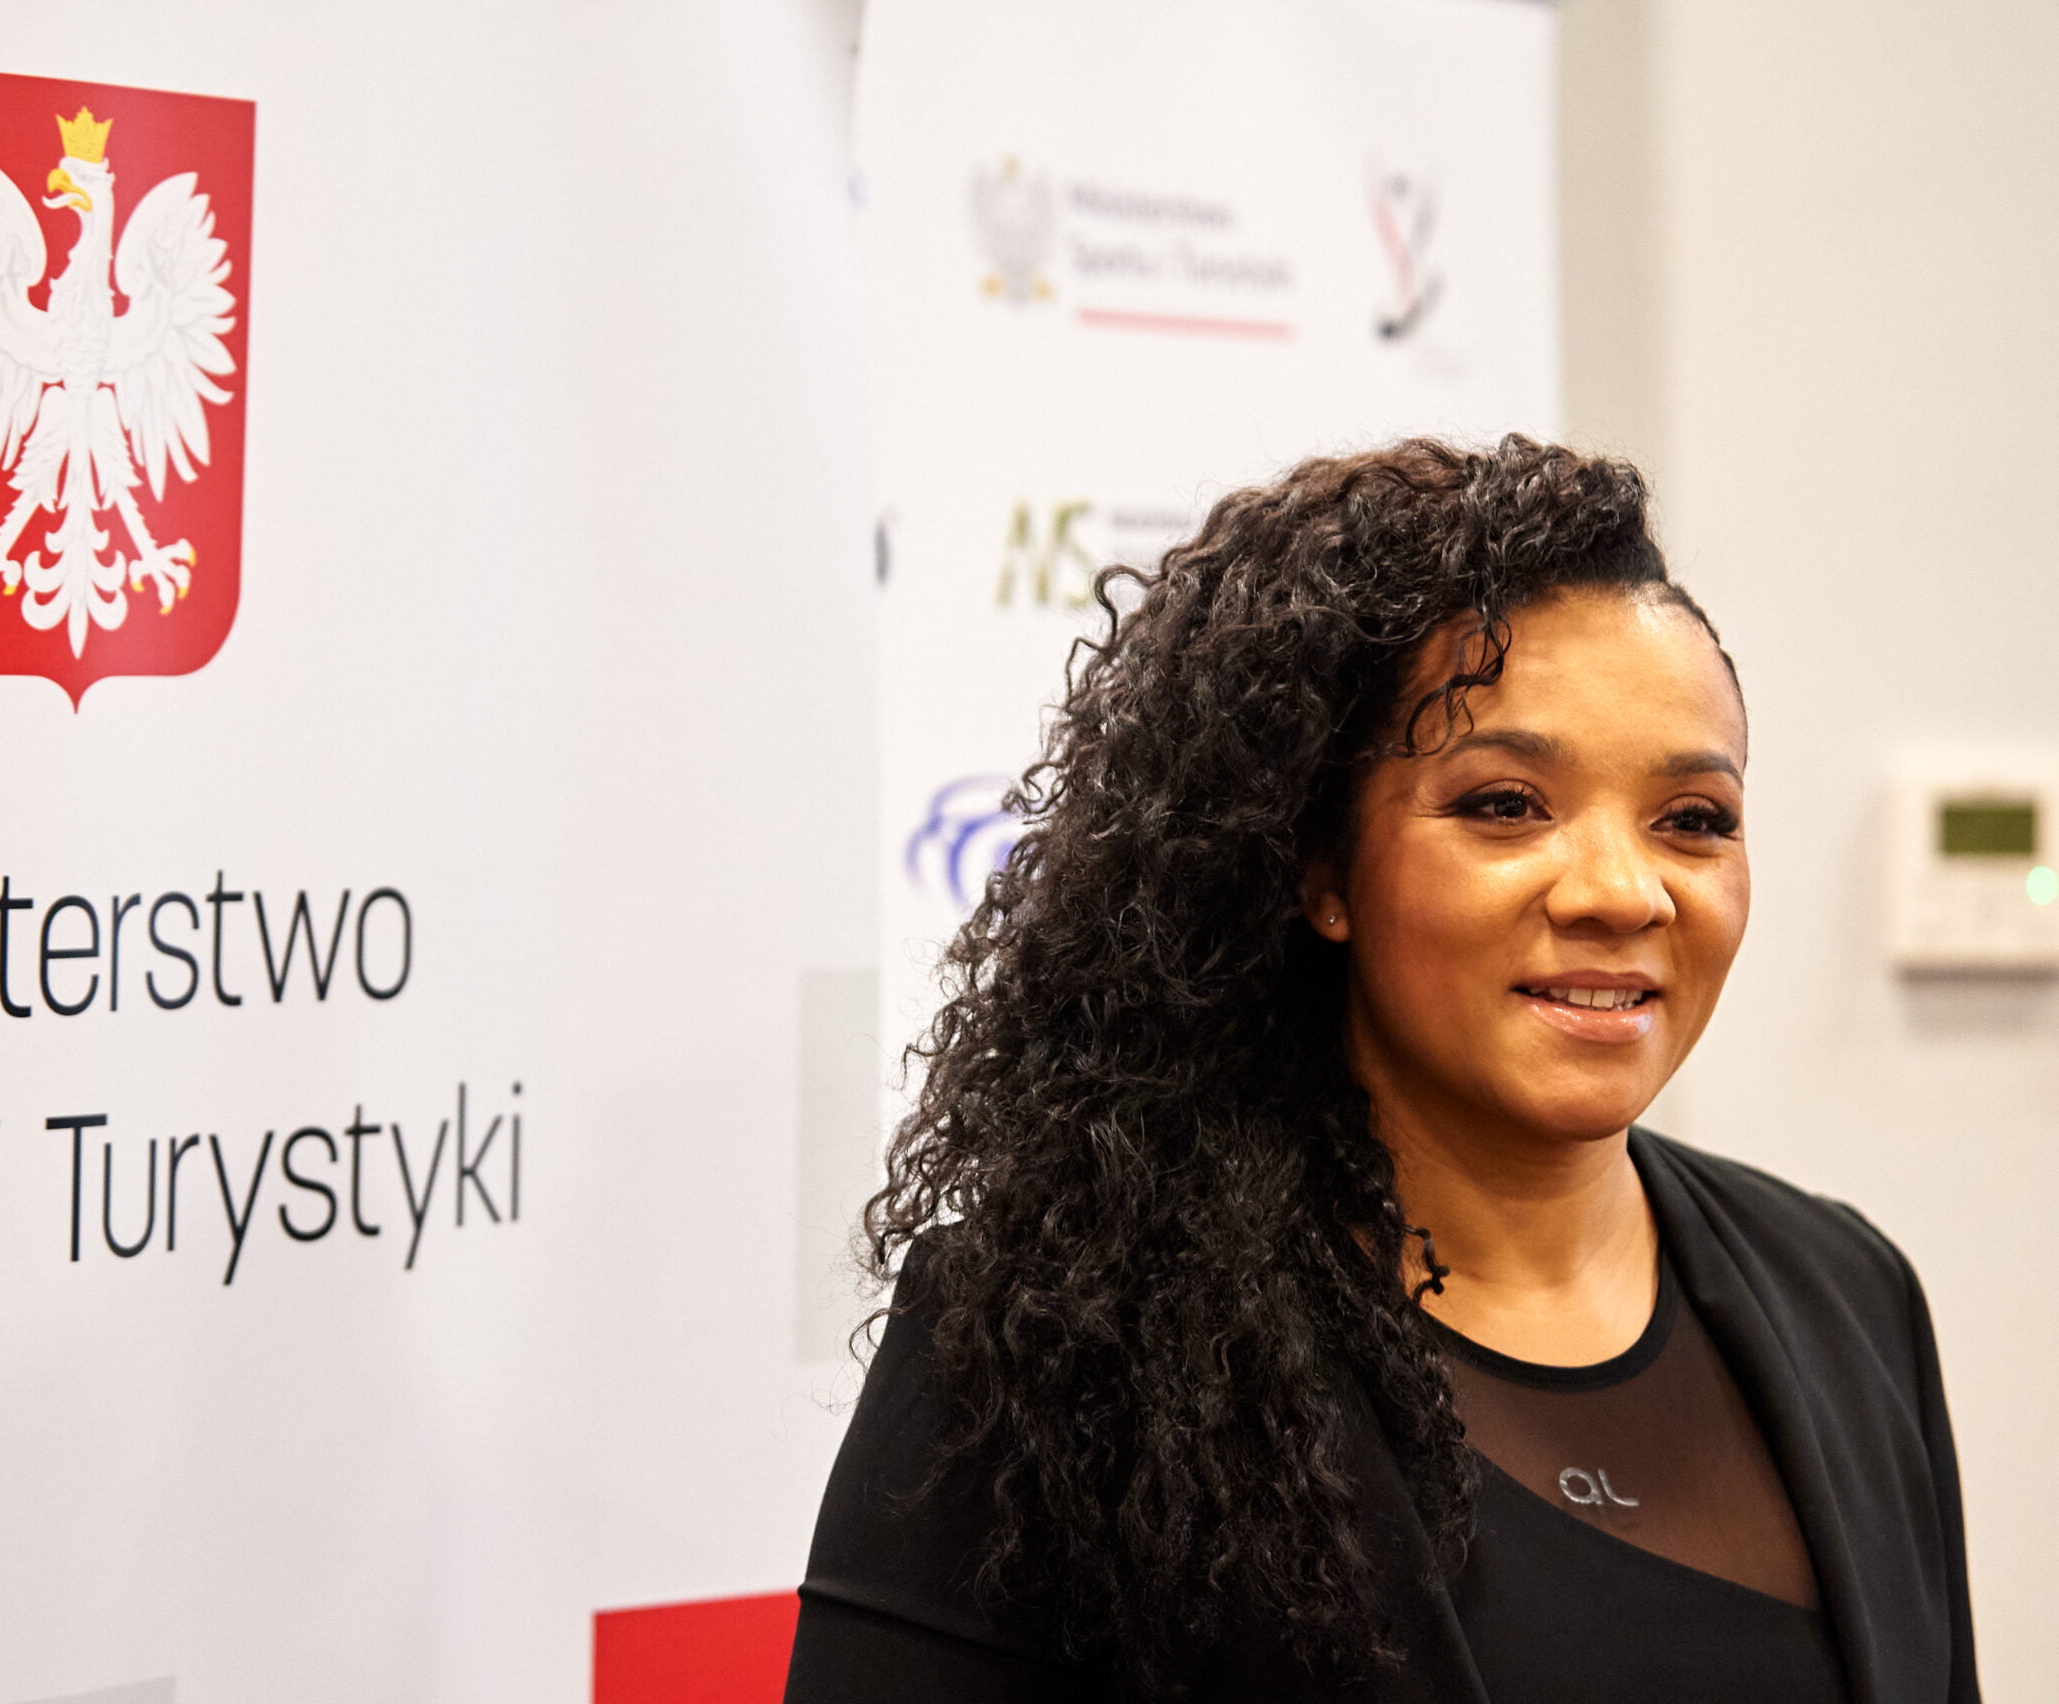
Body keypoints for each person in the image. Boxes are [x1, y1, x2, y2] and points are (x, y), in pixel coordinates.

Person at [783, 439, 1975, 1702]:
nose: (1623, 893)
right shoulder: (1056, 1335)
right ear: (1322, 869)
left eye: (1693, 821)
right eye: (1505, 805)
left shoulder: (1849, 1294)